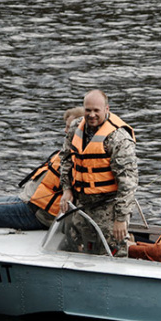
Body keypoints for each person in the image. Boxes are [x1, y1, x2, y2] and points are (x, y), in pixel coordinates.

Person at [59, 89, 138, 256]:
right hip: (81, 204)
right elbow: (66, 159)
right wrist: (67, 189)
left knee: (113, 252)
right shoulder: (75, 128)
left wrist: (121, 219)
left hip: (108, 207)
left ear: (106, 109)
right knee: (71, 248)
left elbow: (128, 183)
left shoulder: (118, 138)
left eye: (96, 110)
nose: (92, 115)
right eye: (88, 110)